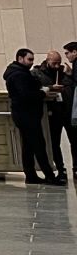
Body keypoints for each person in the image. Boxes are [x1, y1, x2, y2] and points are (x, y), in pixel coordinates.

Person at [5, 48, 60, 184]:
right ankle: (50, 176)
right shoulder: (19, 75)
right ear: (20, 58)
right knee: (39, 145)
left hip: (22, 114)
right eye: (29, 59)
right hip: (27, 115)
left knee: (29, 146)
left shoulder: (16, 72)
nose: (31, 63)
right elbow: (26, 95)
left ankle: (30, 175)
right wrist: (43, 93)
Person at [34, 48, 71, 182]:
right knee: (54, 143)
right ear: (48, 61)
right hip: (52, 112)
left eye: (58, 63)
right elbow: (36, 89)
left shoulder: (64, 71)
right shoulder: (38, 73)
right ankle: (61, 169)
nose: (57, 66)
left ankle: (74, 168)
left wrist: (70, 75)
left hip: (66, 110)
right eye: (54, 63)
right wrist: (50, 87)